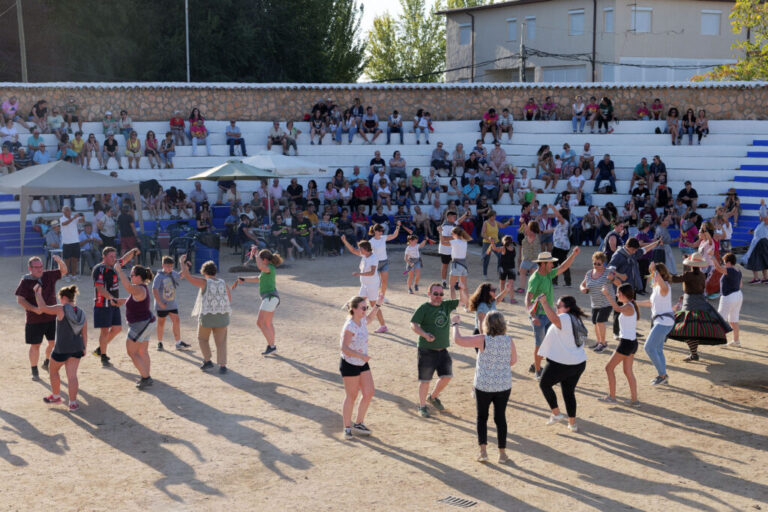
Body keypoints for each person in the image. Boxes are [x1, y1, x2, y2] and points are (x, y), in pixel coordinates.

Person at [451, 310, 516, 463]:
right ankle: (502, 454)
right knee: (500, 418)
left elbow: (458, 340)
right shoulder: (508, 340)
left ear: (487, 324)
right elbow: (513, 360)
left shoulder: (482, 339)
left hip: (484, 385)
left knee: (482, 417)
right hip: (503, 384)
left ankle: (483, 452)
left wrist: (455, 324)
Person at [533, 294, 588, 432]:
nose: (556, 308)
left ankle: (557, 414)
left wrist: (545, 303)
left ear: (567, 308)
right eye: (556, 306)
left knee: (544, 384)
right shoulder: (575, 318)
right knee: (568, 392)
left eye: (559, 306)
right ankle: (572, 424)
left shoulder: (564, 317)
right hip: (578, 362)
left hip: (564, 363)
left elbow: (553, 319)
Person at [410, 282, 466, 418]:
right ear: (429, 294)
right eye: (435, 294)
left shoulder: (446, 305)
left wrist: (462, 290)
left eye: (441, 294)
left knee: (447, 377)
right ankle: (422, 406)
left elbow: (464, 301)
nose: (438, 296)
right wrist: (424, 334)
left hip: (443, 349)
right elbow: (413, 324)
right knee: (425, 380)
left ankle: (433, 397)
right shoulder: (423, 308)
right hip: (426, 349)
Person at [525, 248, 580, 380]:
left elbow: (563, 267)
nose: (553, 265)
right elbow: (528, 298)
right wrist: (533, 316)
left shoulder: (548, 274)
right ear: (543, 264)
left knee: (549, 343)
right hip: (539, 316)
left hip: (549, 314)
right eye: (550, 263)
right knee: (540, 344)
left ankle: (535, 365)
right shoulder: (535, 278)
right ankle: (538, 371)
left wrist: (573, 254)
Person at [668, 253, 732, 362]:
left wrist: (662, 274)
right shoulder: (702, 275)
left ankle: (694, 353)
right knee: (694, 330)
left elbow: (674, 279)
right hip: (701, 303)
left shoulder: (689, 275)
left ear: (691, 264)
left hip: (689, 304)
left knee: (688, 330)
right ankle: (694, 353)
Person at [15, 255, 68, 380]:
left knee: (53, 343)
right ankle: (34, 370)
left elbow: (64, 271)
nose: (39, 269)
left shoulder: (48, 275)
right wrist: (34, 309)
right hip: (34, 319)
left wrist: (60, 261)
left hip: (51, 317)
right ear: (30, 268)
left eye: (41, 267)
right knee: (35, 346)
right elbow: (20, 300)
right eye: (36, 267)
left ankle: (47, 361)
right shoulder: (25, 281)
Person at [35, 284, 86, 411]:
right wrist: (84, 348)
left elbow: (43, 308)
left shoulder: (61, 308)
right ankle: (73, 403)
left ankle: (56, 396)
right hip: (77, 347)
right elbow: (84, 333)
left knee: (53, 371)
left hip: (62, 348)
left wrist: (37, 293)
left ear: (63, 297)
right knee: (72, 376)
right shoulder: (81, 312)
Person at [338, 295, 380, 439]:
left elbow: (370, 319)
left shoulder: (361, 320)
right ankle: (347, 428)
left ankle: (359, 423)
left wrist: (377, 305)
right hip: (350, 363)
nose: (365, 310)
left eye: (366, 307)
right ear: (354, 309)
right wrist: (361, 356)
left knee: (369, 392)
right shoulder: (349, 326)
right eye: (363, 308)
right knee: (352, 395)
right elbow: (344, 348)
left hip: (361, 362)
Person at [181, 254, 232, 373]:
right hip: (222, 317)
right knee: (221, 342)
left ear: (204, 272)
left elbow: (187, 277)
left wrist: (182, 263)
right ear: (215, 271)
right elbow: (228, 299)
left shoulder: (204, 282)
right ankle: (223, 366)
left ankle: (208, 360)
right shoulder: (223, 283)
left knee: (202, 338)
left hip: (207, 316)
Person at [91, 246, 139, 368]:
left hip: (114, 303)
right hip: (103, 304)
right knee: (104, 331)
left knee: (117, 329)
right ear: (104, 257)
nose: (114, 258)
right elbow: (100, 288)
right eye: (111, 256)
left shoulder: (114, 265)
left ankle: (100, 349)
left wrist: (133, 251)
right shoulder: (99, 269)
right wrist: (112, 299)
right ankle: (103, 356)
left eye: (114, 256)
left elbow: (124, 259)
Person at [232, 249, 283, 355]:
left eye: (260, 259)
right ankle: (272, 346)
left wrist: (255, 254)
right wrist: (244, 279)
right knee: (268, 323)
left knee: (260, 323)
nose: (257, 261)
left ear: (264, 260)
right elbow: (257, 279)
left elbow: (260, 266)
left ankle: (272, 346)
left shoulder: (269, 268)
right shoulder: (267, 269)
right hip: (272, 298)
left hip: (270, 297)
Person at [115, 261, 155, 389]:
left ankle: (146, 378)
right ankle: (146, 374)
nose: (130, 277)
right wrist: (121, 301)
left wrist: (119, 271)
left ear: (138, 277)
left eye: (132, 275)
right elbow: (132, 299)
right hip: (147, 323)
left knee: (132, 352)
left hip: (140, 325)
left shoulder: (138, 288)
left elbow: (129, 288)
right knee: (143, 351)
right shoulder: (140, 288)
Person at [634, 262, 675, 386]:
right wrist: (635, 302)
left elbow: (658, 278)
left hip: (664, 322)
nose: (651, 276)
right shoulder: (657, 288)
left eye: (653, 273)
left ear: (659, 274)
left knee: (649, 347)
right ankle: (664, 375)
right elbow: (651, 303)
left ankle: (662, 375)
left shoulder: (665, 287)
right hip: (661, 321)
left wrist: (653, 269)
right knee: (658, 349)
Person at [598, 283, 640, 405]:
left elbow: (616, 308)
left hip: (627, 343)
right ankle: (634, 400)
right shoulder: (630, 305)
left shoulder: (628, 307)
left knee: (609, 368)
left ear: (623, 294)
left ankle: (612, 397)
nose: (617, 295)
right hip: (631, 342)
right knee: (628, 371)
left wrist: (607, 295)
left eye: (618, 293)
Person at [340, 237, 388, 333]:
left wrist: (359, 274)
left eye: (361, 249)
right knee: (359, 302)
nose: (359, 251)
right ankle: (358, 323)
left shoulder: (373, 258)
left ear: (366, 249)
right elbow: (353, 250)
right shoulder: (364, 254)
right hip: (365, 284)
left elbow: (372, 272)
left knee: (374, 305)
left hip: (372, 285)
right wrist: (345, 240)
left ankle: (383, 326)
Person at [580, 251, 616, 353]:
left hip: (607, 302)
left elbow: (618, 282)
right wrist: (583, 288)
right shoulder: (589, 273)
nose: (596, 265)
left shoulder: (608, 272)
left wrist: (612, 278)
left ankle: (603, 343)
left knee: (600, 321)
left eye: (598, 263)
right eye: (594, 263)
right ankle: (599, 341)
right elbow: (582, 284)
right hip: (595, 303)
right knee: (595, 322)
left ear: (603, 263)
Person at [152, 256, 190, 352]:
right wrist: (160, 303)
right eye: (167, 266)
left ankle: (178, 342)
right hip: (162, 305)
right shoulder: (159, 276)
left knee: (176, 320)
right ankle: (160, 342)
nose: (170, 268)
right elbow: (154, 290)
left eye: (171, 266)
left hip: (172, 304)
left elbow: (182, 275)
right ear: (163, 265)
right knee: (161, 323)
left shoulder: (173, 273)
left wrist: (183, 263)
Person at [368, 222, 401, 305]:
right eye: (380, 231)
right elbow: (368, 254)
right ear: (375, 231)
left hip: (384, 262)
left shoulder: (383, 238)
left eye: (382, 231)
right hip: (375, 264)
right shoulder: (371, 242)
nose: (381, 232)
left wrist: (398, 227)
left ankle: (382, 297)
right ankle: (374, 296)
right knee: (375, 282)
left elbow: (394, 235)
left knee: (384, 282)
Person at [714, 253, 743, 347]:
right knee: (733, 320)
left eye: (724, 262)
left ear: (729, 262)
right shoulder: (738, 270)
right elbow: (740, 285)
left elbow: (718, 268)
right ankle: (736, 341)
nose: (724, 264)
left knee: (721, 319)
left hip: (728, 296)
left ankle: (721, 341)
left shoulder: (729, 269)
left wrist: (712, 257)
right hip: (738, 295)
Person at [442, 227, 473, 301]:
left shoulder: (455, 241)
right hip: (464, 265)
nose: (451, 235)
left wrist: (440, 232)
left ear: (455, 234)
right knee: (464, 287)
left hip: (456, 264)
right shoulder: (464, 241)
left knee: (451, 286)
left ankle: (453, 306)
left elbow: (442, 242)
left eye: (452, 234)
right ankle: (466, 306)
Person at [59, 206, 84, 282]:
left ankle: (74, 275)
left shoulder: (74, 218)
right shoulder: (61, 219)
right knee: (67, 260)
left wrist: (82, 216)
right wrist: (73, 218)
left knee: (75, 259)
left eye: (69, 210)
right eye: (67, 210)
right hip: (66, 242)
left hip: (75, 241)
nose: (69, 212)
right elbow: (64, 224)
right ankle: (66, 275)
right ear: (63, 212)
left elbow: (82, 221)